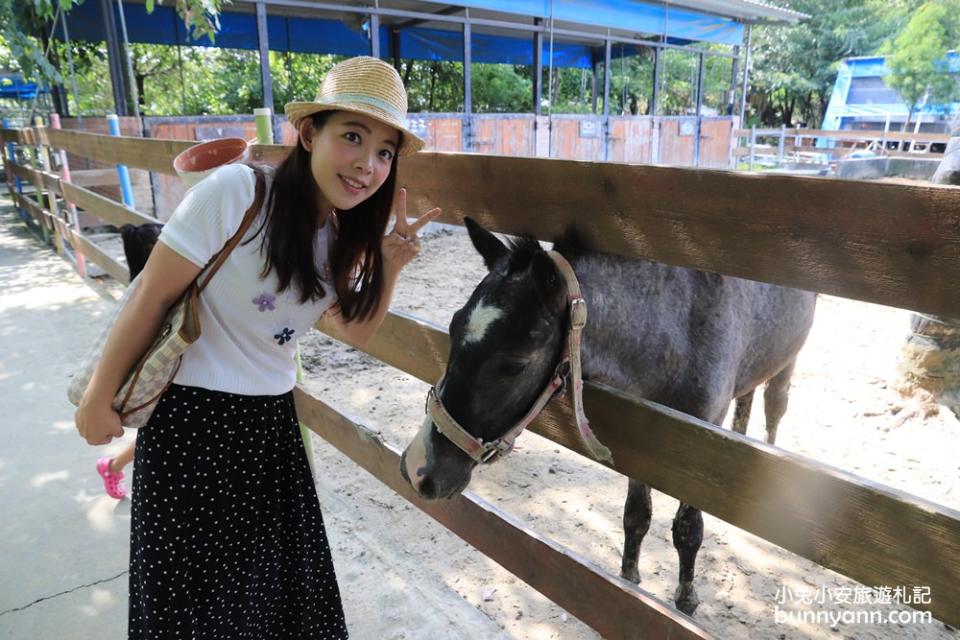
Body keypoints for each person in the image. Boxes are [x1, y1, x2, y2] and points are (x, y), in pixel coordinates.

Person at [75, 56, 441, 639]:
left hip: (269, 429)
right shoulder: (237, 191)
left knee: (272, 602)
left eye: (384, 152)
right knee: (196, 608)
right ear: (309, 132)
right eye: (352, 136)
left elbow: (358, 330)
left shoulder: (342, 235)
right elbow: (149, 297)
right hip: (190, 426)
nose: (367, 165)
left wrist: (390, 267)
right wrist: (98, 398)